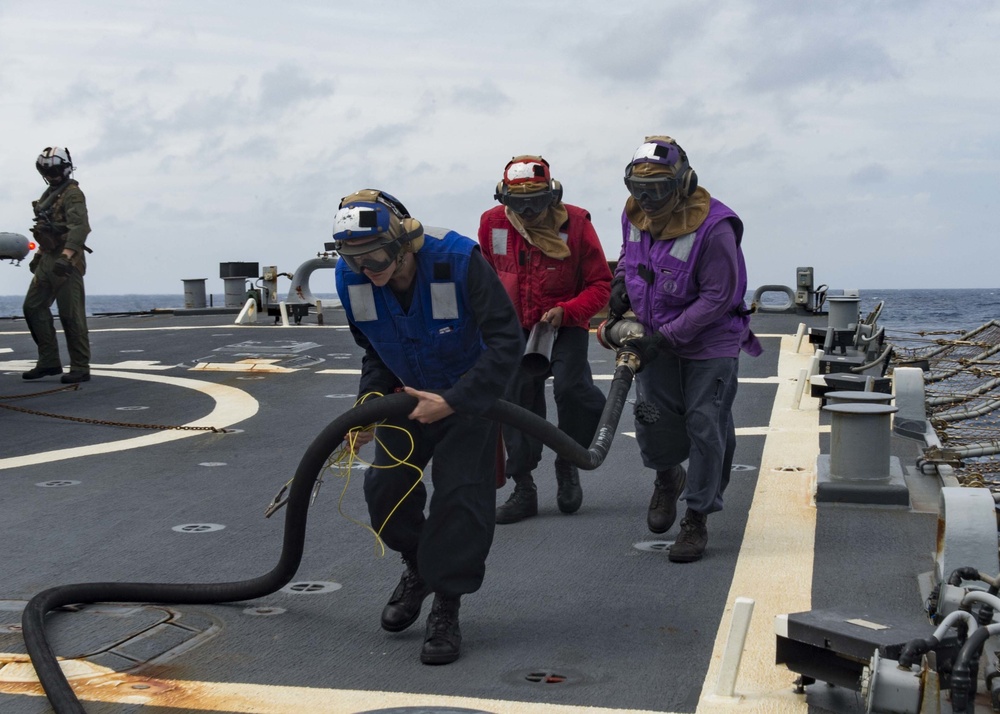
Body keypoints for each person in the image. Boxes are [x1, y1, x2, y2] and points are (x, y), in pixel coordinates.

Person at [332, 189, 523, 665]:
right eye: (353, 260)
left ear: (402, 243)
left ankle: (446, 605)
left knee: (461, 500)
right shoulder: (351, 279)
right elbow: (374, 349)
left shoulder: (459, 260)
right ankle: (419, 567)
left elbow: (506, 340)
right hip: (409, 399)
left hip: (469, 397)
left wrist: (456, 400)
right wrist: (370, 406)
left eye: (375, 256)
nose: (367, 269)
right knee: (384, 493)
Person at [611, 136, 761, 563]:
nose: (647, 199)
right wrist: (621, 280)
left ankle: (697, 517)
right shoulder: (636, 214)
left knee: (705, 423)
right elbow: (630, 253)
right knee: (652, 416)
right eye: (638, 189)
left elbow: (717, 296)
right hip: (654, 333)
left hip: (709, 339)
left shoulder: (715, 227)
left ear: (682, 182)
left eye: (657, 189)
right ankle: (666, 478)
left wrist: (668, 337)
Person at [478, 155, 611, 523]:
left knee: (572, 389)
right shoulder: (491, 224)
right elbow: (485, 278)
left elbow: (601, 285)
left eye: (536, 200)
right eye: (519, 203)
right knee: (516, 401)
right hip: (514, 330)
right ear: (504, 199)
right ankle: (524, 487)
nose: (529, 210)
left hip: (562, 325)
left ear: (552, 195)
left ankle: (569, 460)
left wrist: (567, 311)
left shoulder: (577, 223)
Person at [22, 146, 92, 384]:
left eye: (54, 170)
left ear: (65, 169)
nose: (51, 174)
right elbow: (47, 229)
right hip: (49, 256)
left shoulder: (72, 194)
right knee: (32, 307)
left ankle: (81, 366)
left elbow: (79, 227)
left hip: (67, 258)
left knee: (70, 315)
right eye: (46, 170)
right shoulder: (49, 195)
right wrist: (40, 255)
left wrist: (66, 255)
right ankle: (49, 361)